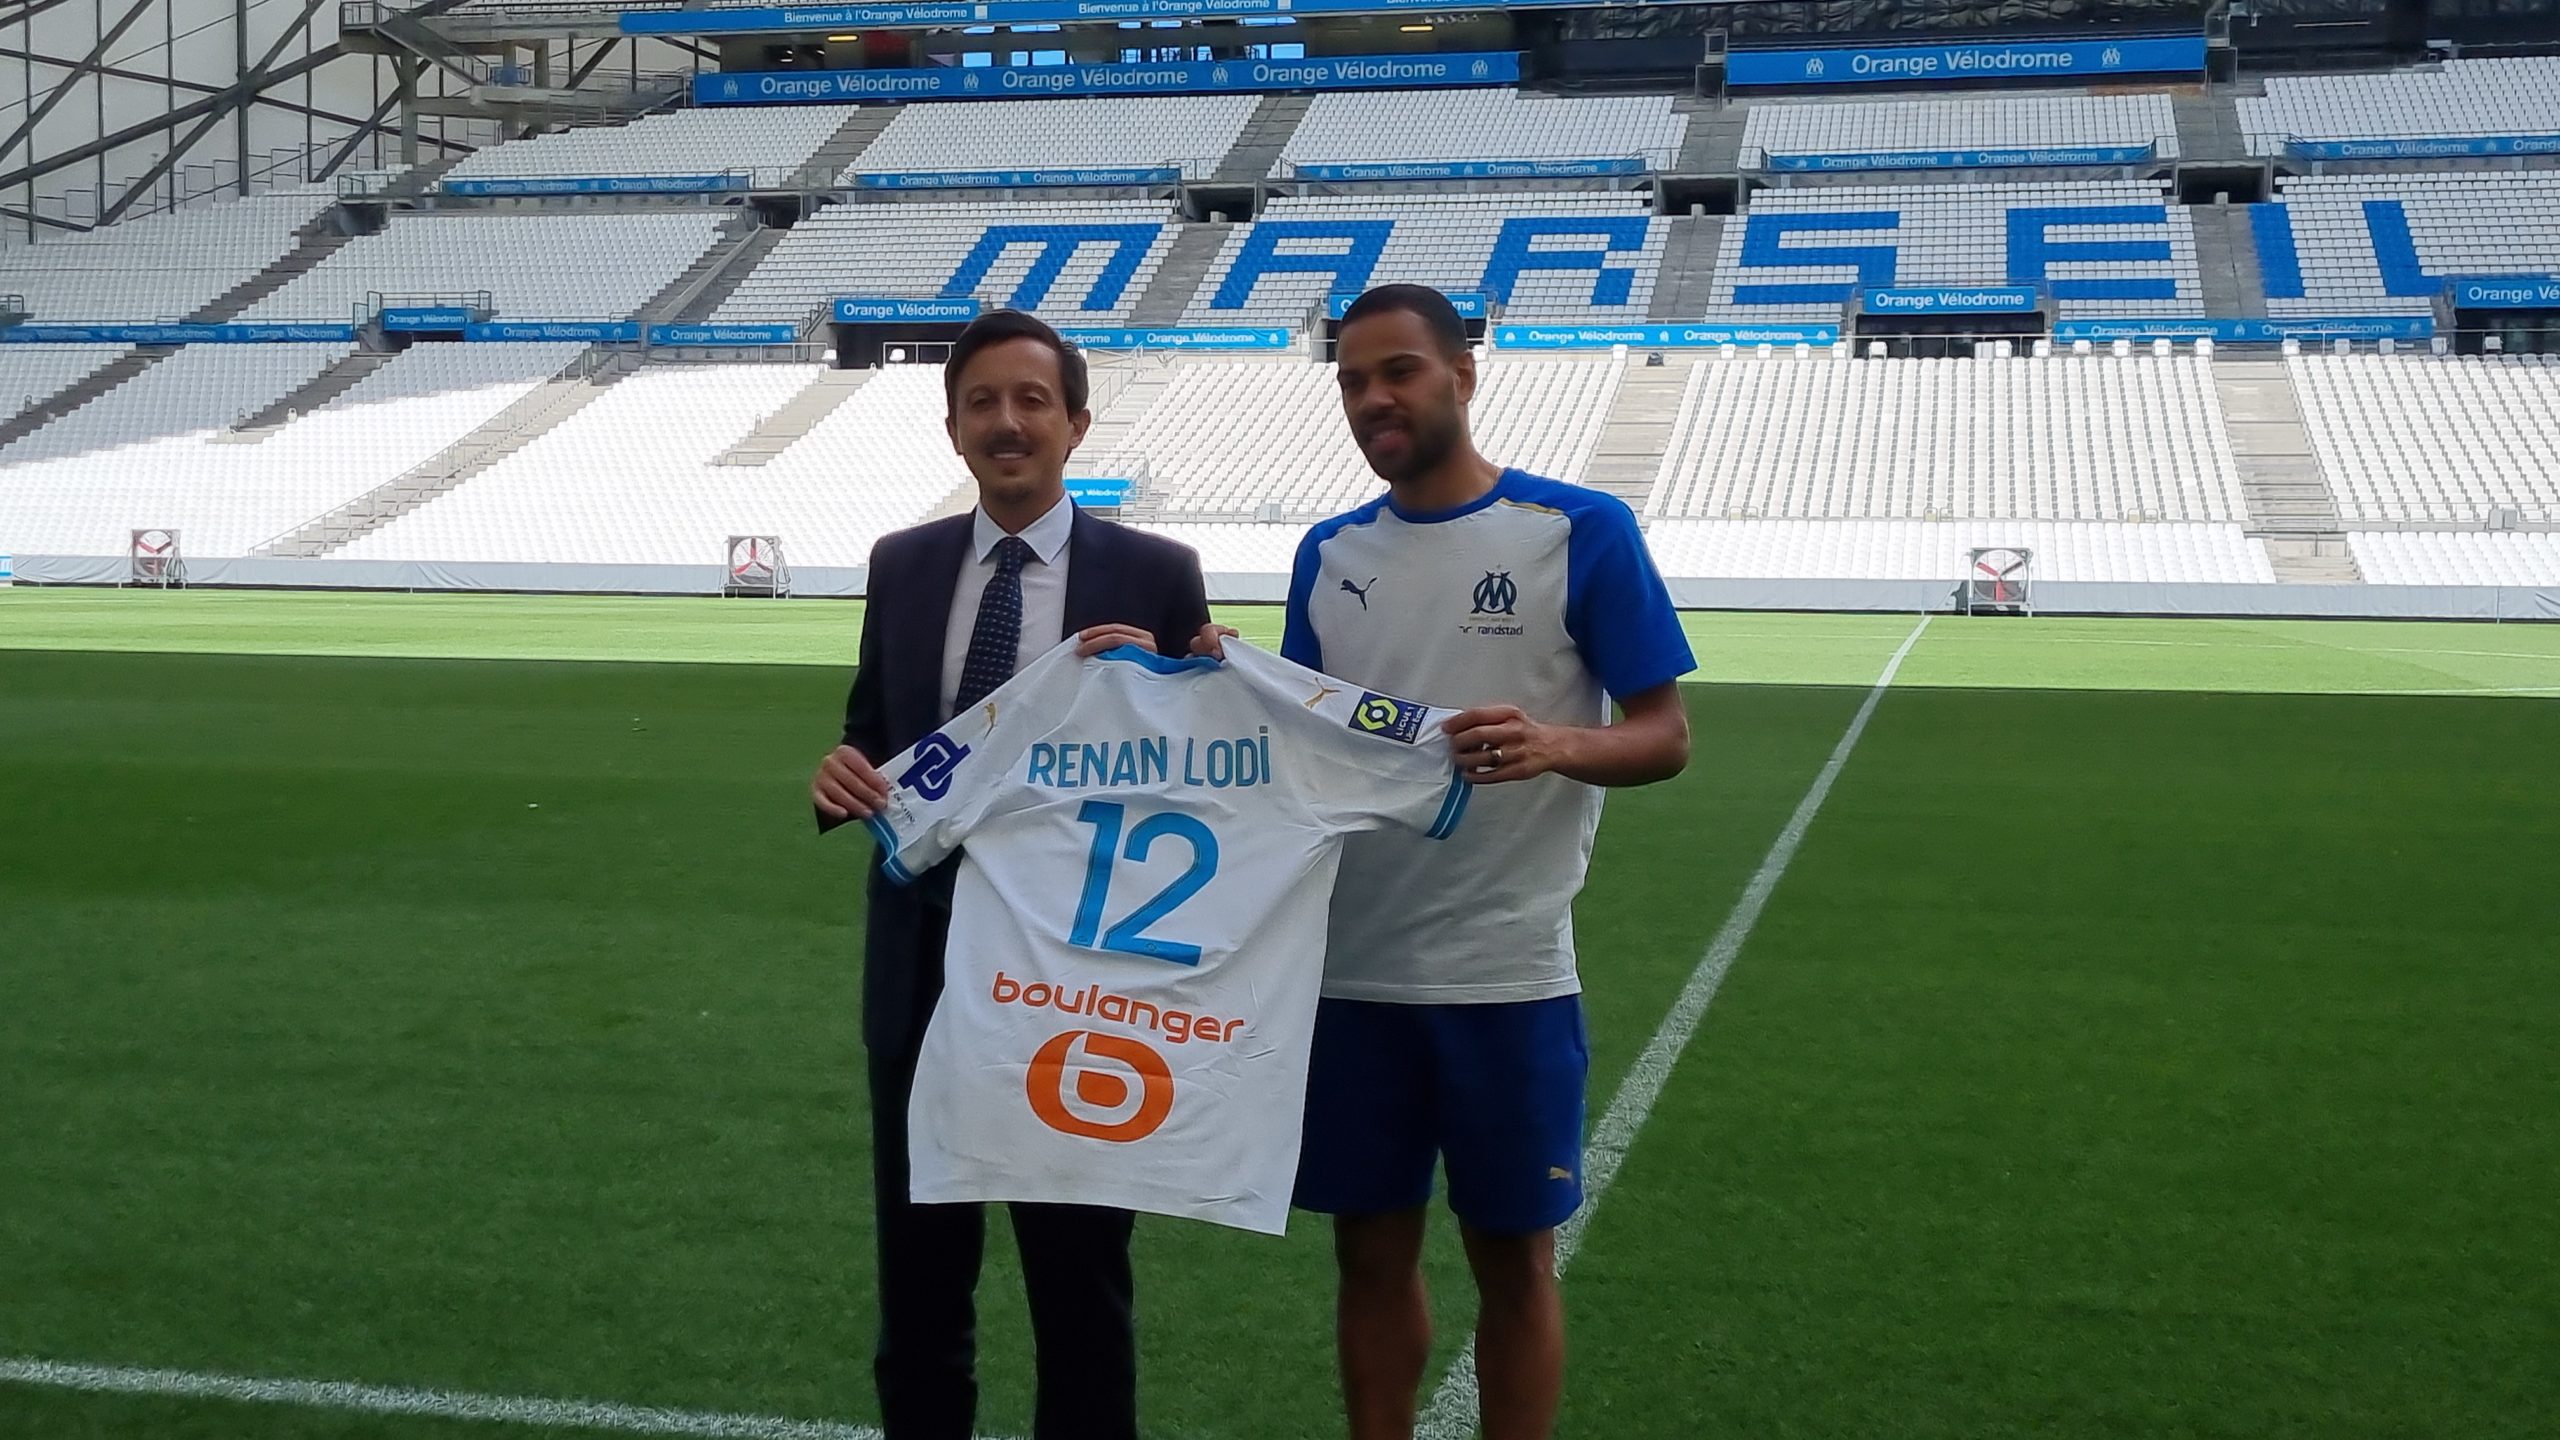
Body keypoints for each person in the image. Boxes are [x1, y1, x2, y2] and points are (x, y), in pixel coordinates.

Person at [1199, 283, 1695, 1440]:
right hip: (1352, 974)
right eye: (1351, 381)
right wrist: (1199, 677)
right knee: (1368, 1257)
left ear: (1462, 375)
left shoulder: (1576, 530)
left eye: (1398, 372)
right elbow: (1310, 741)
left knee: (1513, 1264)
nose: (1373, 398)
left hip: (1504, 977)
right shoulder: (1329, 552)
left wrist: (1556, 743)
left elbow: (1665, 735)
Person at [812, 310, 1211, 1440]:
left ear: (1075, 424)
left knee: (1080, 1289)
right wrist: (840, 774)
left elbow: (1201, 774)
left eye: (1032, 400)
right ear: (953, 428)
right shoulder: (902, 565)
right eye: (981, 401)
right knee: (920, 1285)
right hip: (922, 979)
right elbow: (877, 737)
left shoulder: (1155, 574)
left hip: (1075, 991)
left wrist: (1197, 683)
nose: (1007, 422)